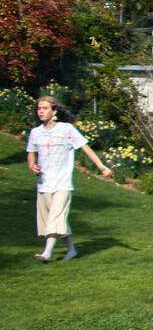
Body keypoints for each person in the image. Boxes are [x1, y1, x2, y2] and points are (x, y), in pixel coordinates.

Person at [26, 95, 113, 263]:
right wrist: (32, 166)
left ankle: (47, 253)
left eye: (44, 108)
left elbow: (85, 148)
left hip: (62, 183)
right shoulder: (35, 133)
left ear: (54, 110)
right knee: (54, 220)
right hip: (43, 183)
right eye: (39, 108)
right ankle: (71, 250)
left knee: (56, 217)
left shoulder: (66, 129)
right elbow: (30, 153)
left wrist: (102, 166)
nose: (41, 111)